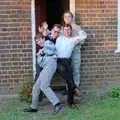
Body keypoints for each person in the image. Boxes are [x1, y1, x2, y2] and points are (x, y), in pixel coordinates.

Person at [24, 24, 64, 115]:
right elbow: (40, 63)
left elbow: (52, 49)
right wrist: (41, 54)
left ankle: (58, 104)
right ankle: (33, 107)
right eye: (37, 42)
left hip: (51, 64)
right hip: (46, 67)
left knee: (44, 86)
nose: (38, 42)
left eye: (39, 40)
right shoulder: (41, 50)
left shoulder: (48, 43)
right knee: (36, 87)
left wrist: (42, 52)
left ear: (43, 38)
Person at [56, 24, 87, 108]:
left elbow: (84, 36)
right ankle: (75, 87)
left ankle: (71, 102)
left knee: (69, 82)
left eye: (68, 30)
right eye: (65, 29)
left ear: (71, 31)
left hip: (67, 61)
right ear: (63, 30)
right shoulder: (59, 38)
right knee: (66, 75)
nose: (66, 31)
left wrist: (78, 29)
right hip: (58, 61)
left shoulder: (73, 40)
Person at [62, 11, 87, 88]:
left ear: (72, 18)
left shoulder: (77, 27)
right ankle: (68, 88)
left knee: (76, 70)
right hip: (65, 53)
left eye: (69, 16)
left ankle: (76, 88)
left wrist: (78, 40)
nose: (67, 18)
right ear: (63, 18)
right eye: (65, 17)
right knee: (67, 71)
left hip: (75, 52)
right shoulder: (62, 28)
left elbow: (83, 39)